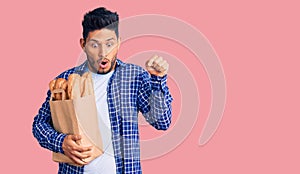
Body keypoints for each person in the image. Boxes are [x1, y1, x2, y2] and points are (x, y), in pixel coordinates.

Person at [32, 7, 173, 174]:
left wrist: (158, 80)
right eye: (94, 45)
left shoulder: (135, 77)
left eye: (109, 44)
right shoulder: (65, 80)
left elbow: (162, 122)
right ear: (83, 45)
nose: (103, 53)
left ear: (119, 42)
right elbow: (39, 125)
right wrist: (60, 142)